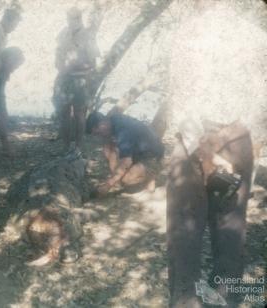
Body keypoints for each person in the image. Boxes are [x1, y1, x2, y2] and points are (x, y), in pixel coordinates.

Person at [167, 3, 266, 307]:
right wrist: (241, 140)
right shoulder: (256, 35)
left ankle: (186, 300)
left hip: (195, 141)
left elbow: (180, 98)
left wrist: (203, 148)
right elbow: (261, 99)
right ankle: (229, 298)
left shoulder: (188, 32)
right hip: (238, 137)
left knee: (184, 235)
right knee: (231, 232)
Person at [86, 111, 164, 195]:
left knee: (125, 179)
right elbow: (111, 147)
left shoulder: (123, 130)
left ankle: (151, 174)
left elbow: (126, 162)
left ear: (102, 124)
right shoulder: (113, 120)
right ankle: (121, 177)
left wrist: (107, 185)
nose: (99, 136)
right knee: (107, 148)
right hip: (138, 152)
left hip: (153, 156)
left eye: (98, 133)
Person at [54, 7, 100, 151]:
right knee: (63, 113)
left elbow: (93, 64)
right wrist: (60, 65)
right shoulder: (63, 33)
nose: (71, 21)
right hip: (63, 78)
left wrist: (77, 67)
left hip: (80, 80)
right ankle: (66, 147)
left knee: (80, 114)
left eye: (74, 18)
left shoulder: (88, 36)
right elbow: (57, 53)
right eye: (69, 18)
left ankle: (79, 149)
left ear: (80, 19)